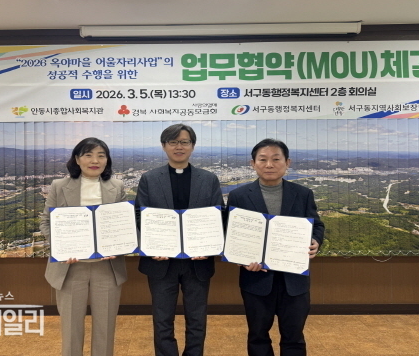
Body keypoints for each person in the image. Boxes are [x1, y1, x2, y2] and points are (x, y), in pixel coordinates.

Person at [227, 138, 324, 356]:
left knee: (294, 337)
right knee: (258, 336)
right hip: (256, 279)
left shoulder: (303, 194)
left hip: (294, 280)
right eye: (262, 159)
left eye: (276, 159)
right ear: (253, 164)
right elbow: (231, 233)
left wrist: (316, 241)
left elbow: (316, 225)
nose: (269, 164)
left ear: (287, 162)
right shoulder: (238, 196)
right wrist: (240, 258)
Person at [136, 123, 224, 356]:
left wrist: (209, 246)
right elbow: (140, 216)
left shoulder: (209, 179)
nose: (179, 147)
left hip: (198, 261)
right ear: (164, 146)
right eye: (173, 142)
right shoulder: (149, 179)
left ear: (192, 146)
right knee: (162, 319)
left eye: (184, 142)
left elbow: (218, 217)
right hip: (161, 261)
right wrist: (151, 246)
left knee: (197, 319)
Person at [40, 137, 127, 356]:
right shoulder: (59, 186)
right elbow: (45, 222)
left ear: (107, 160)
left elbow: (123, 223)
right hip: (70, 267)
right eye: (88, 155)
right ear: (77, 159)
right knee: (70, 327)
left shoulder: (117, 187)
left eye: (101, 155)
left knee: (105, 327)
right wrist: (61, 248)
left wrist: (117, 246)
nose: (95, 161)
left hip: (106, 267)